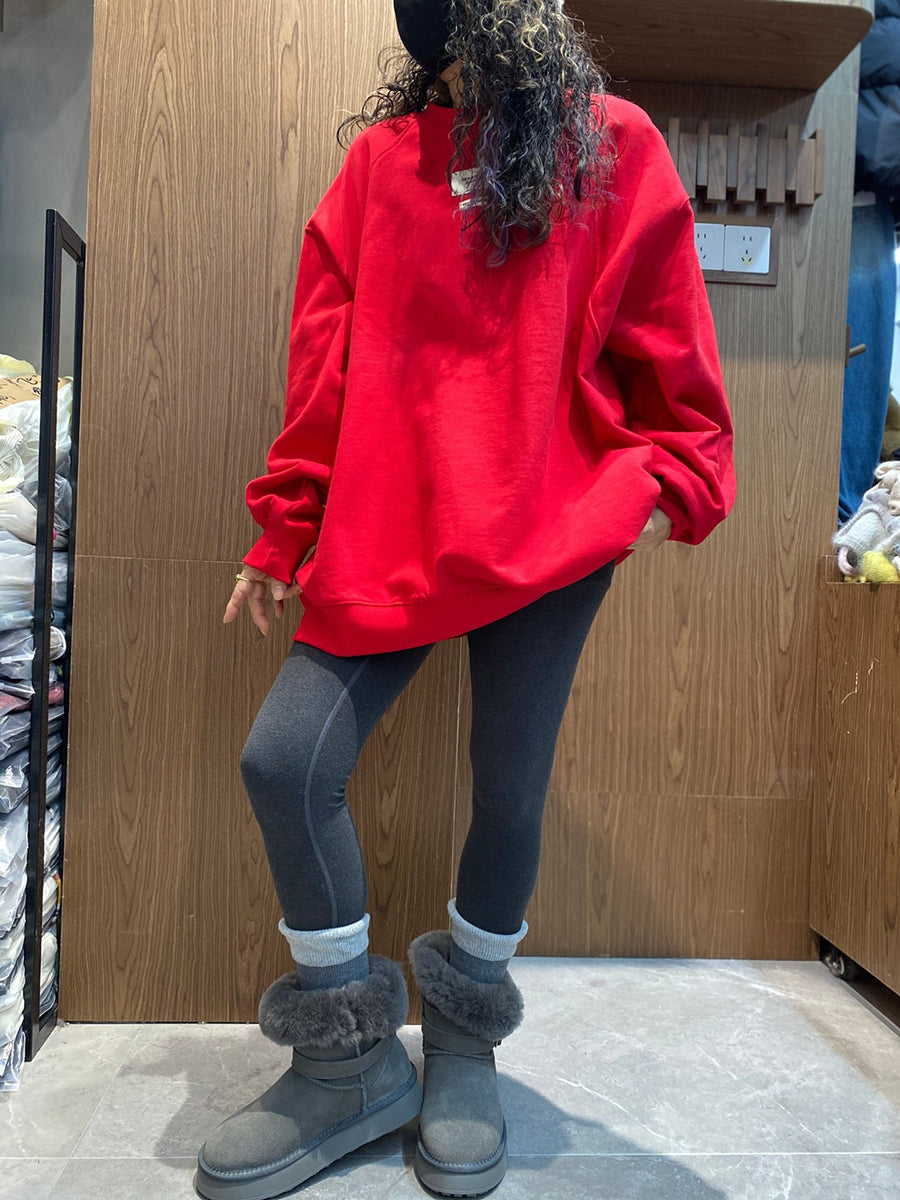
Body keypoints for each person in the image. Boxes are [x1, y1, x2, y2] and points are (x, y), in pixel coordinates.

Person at [197, 2, 736, 1198]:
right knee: (285, 763)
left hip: (552, 526)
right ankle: (347, 1063)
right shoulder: (382, 167)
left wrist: (668, 483)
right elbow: (324, 366)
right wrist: (285, 527)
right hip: (390, 521)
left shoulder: (612, 142)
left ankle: (464, 1044)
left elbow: (669, 336)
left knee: (510, 787)